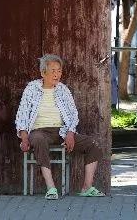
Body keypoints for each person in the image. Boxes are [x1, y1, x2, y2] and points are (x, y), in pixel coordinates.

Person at [15, 54, 105, 199]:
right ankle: (51, 188)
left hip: (61, 132)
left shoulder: (63, 90)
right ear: (43, 73)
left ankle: (87, 187)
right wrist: (24, 138)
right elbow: (22, 116)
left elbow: (73, 115)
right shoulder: (31, 89)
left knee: (92, 145)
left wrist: (70, 133)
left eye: (59, 71)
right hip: (39, 132)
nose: (57, 74)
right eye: (53, 71)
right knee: (38, 140)